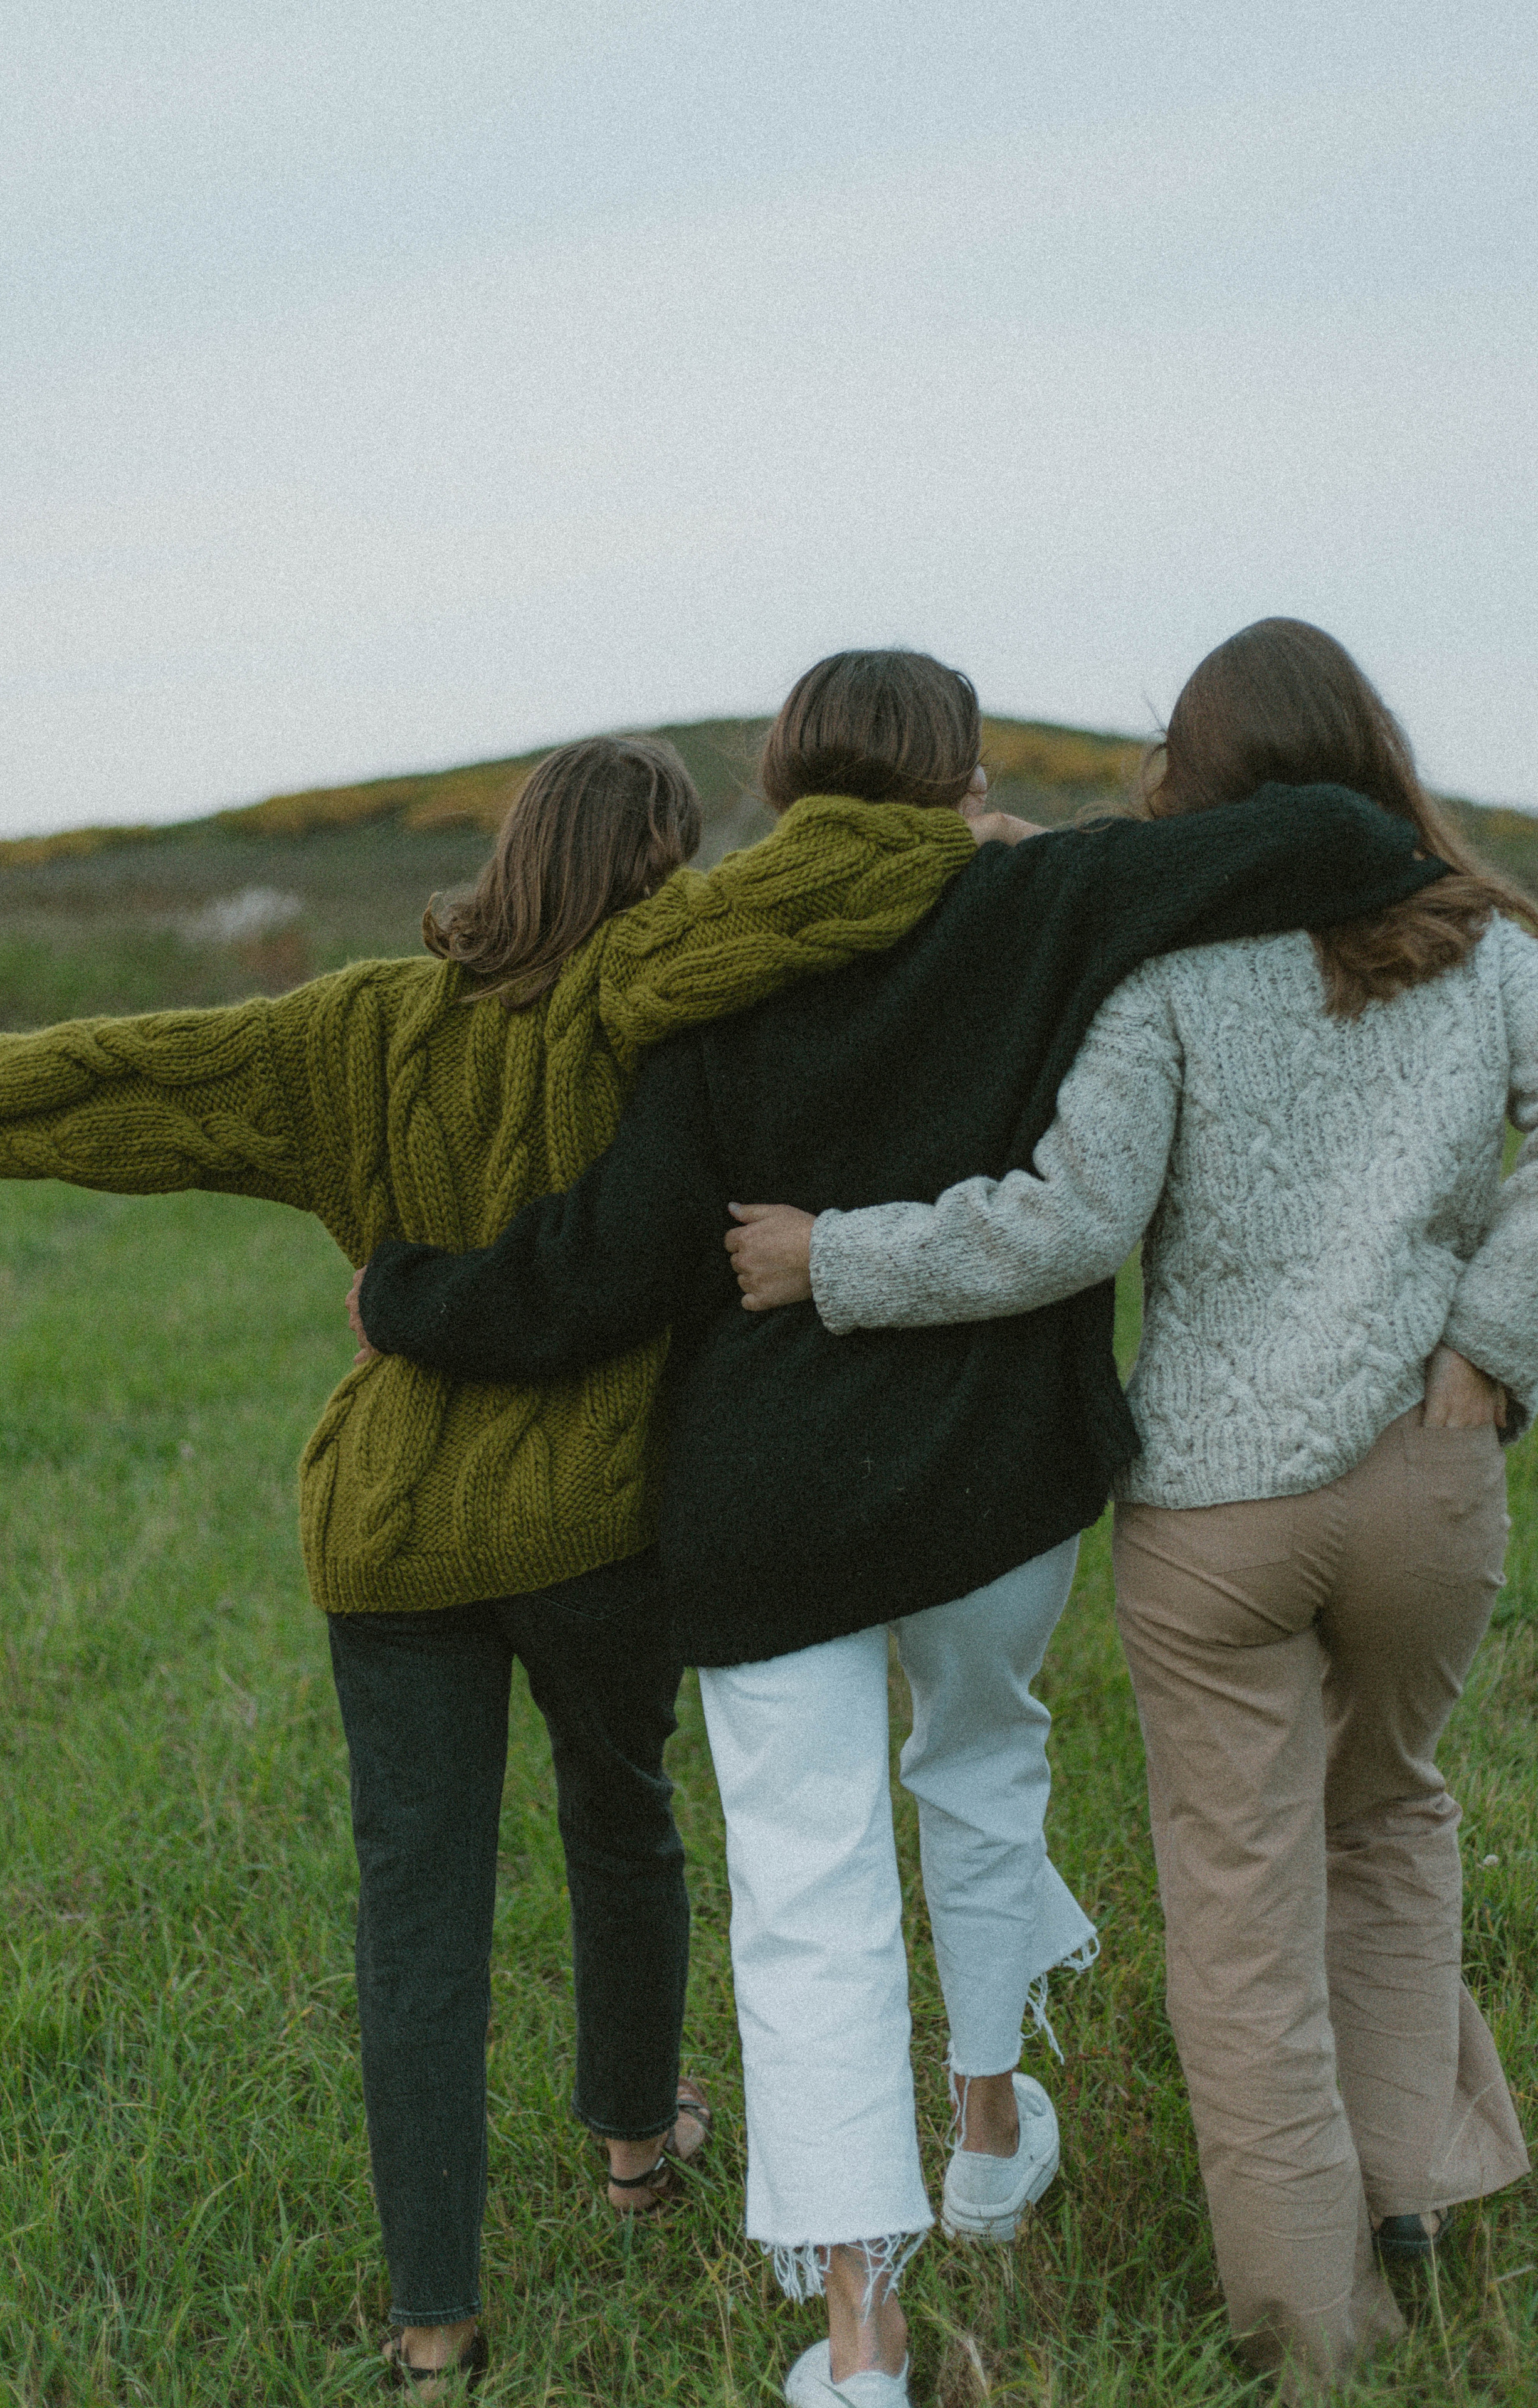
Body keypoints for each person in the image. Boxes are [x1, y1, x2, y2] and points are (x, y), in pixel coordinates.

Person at [349, 650, 1447, 2407]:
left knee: (807, 1895)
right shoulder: (1035, 895)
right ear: (958, 773)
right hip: (992, 1486)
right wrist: (1024, 838)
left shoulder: (705, 957)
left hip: (765, 1515)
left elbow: (609, 1266)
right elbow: (1335, 826)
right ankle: (993, 2130)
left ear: (784, 781)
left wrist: (407, 1297)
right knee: (984, 1767)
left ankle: (861, 2342)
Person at [0, 727, 982, 2397]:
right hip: (595, 1523)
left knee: (414, 1914)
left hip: (390, 1530)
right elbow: (834, 891)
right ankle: (640, 2149)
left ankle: (434, 2324)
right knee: (621, 1813)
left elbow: (143, 1080)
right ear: (659, 865)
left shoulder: (354, 1026)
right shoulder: (661, 993)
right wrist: (961, 826)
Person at [722, 620, 1536, 2394]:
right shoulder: (1488, 956)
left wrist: (831, 1258)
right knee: (1390, 1819)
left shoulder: (1164, 974)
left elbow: (1066, 1225)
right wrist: (1491, 1336)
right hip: (1428, 1475)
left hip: (1215, 1517)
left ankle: (1314, 2328)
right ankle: (1414, 2200)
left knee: (1243, 1911)